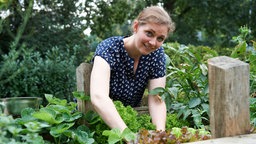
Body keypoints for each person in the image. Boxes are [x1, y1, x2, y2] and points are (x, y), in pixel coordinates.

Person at [90, 5, 175, 133]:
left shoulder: (156, 55)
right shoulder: (110, 48)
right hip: (96, 121)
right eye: (149, 33)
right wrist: (129, 137)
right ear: (136, 27)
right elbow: (99, 97)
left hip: (129, 120)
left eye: (160, 38)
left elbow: (156, 100)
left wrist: (160, 134)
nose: (153, 42)